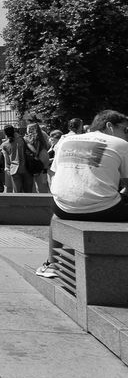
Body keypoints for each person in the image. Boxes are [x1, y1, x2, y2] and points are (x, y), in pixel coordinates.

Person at [35, 110, 128, 278]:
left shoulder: (66, 140)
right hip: (104, 210)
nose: (126, 134)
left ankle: (51, 263)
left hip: (62, 208)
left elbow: (55, 172)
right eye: (125, 129)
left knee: (58, 213)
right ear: (110, 126)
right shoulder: (120, 144)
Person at [1, 124, 33, 193]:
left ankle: (18, 203)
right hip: (26, 168)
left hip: (14, 169)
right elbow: (33, 151)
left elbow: (6, 159)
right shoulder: (23, 140)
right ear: (14, 131)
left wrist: (7, 168)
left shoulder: (5, 144)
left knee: (17, 192)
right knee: (28, 192)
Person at [24, 120, 51, 192]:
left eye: (31, 129)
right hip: (39, 162)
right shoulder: (41, 135)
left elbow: (36, 151)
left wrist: (28, 143)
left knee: (41, 185)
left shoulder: (35, 138)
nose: (30, 131)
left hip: (39, 162)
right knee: (40, 185)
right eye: (29, 129)